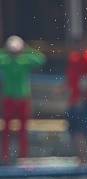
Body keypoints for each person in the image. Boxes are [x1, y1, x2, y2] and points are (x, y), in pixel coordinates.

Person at [0, 35, 46, 164]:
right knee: (8, 130)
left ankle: (22, 156)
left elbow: (41, 59)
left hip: (22, 99)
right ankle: (6, 156)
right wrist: (25, 50)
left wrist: (25, 50)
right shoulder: (6, 61)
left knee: (22, 130)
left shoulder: (23, 61)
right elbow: (40, 58)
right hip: (10, 98)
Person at [62, 39, 87, 164]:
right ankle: (81, 157)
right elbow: (71, 78)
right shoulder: (74, 58)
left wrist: (82, 99)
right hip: (74, 101)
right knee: (73, 129)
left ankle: (85, 159)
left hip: (84, 101)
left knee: (82, 130)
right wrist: (62, 89)